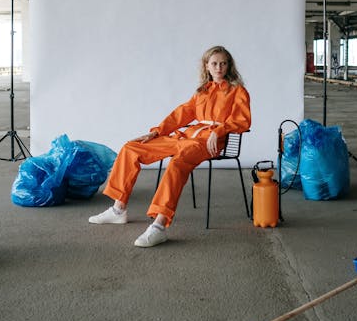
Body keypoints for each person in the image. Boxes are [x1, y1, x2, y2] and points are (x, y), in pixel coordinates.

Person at [89, 45, 251, 247]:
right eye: (214, 63)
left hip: (208, 143)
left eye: (223, 63)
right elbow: (181, 114)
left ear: (229, 66)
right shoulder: (202, 92)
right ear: (207, 66)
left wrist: (219, 130)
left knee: (176, 164)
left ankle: (159, 225)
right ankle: (118, 209)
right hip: (184, 137)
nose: (219, 67)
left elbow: (243, 121)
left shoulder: (238, 91)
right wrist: (157, 131)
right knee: (132, 147)